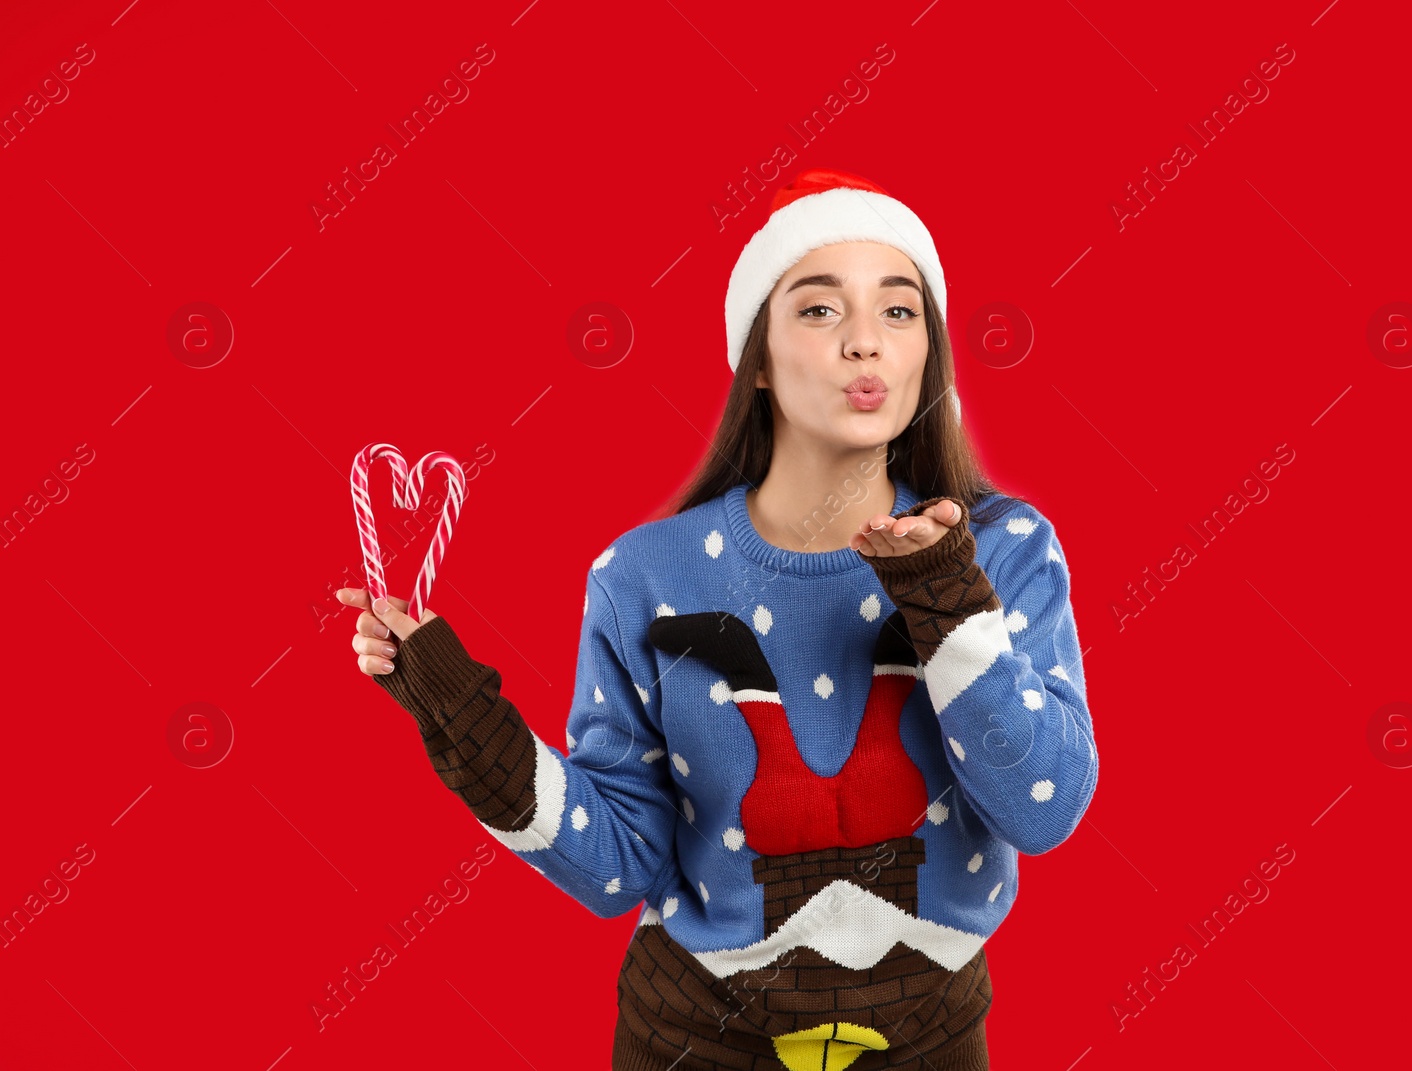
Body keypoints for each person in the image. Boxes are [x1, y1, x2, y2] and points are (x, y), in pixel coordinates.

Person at [338, 167, 1099, 1070]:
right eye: (820, 310)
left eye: (900, 312)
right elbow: (617, 865)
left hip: (928, 1038)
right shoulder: (641, 577)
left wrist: (942, 593)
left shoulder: (1004, 550)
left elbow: (1042, 807)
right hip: (691, 1038)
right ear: (760, 359)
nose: (868, 343)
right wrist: (458, 713)